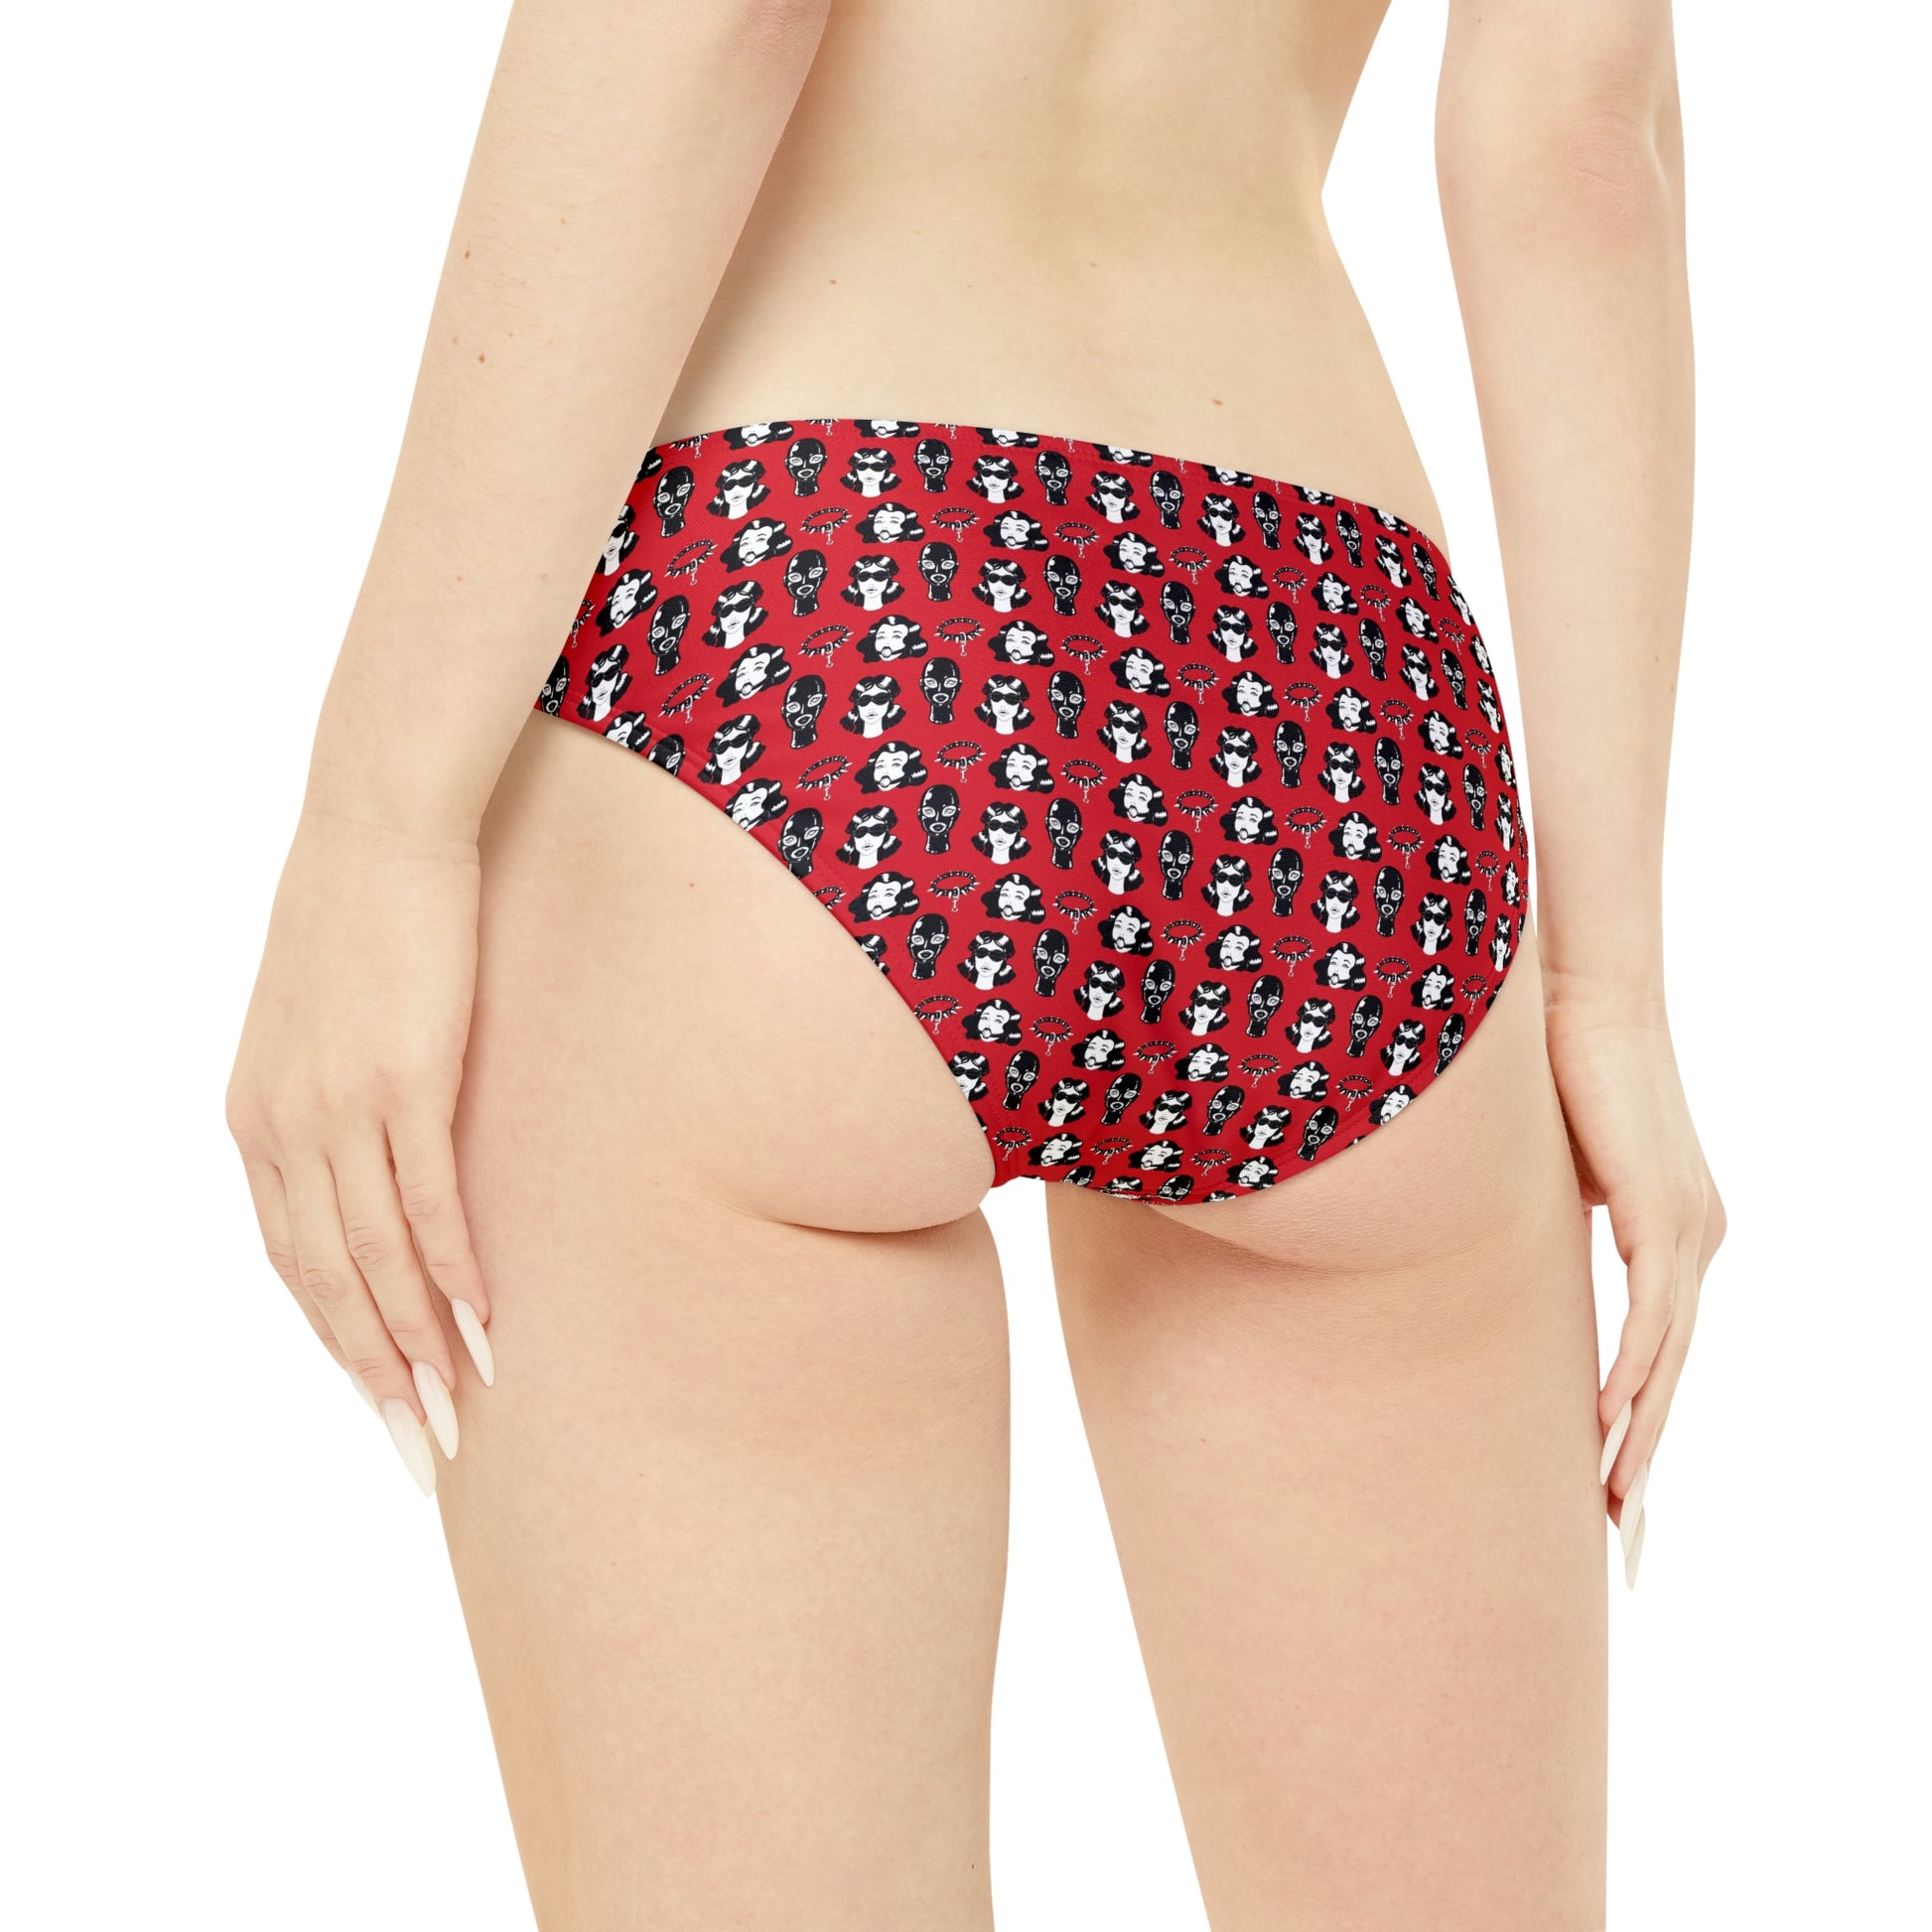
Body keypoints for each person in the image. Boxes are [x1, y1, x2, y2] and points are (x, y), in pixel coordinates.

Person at [223, 1, 1725, 1923]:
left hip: (823, 627)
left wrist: (382, 818)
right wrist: (1608, 984)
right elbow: (1579, 135)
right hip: (1334, 708)